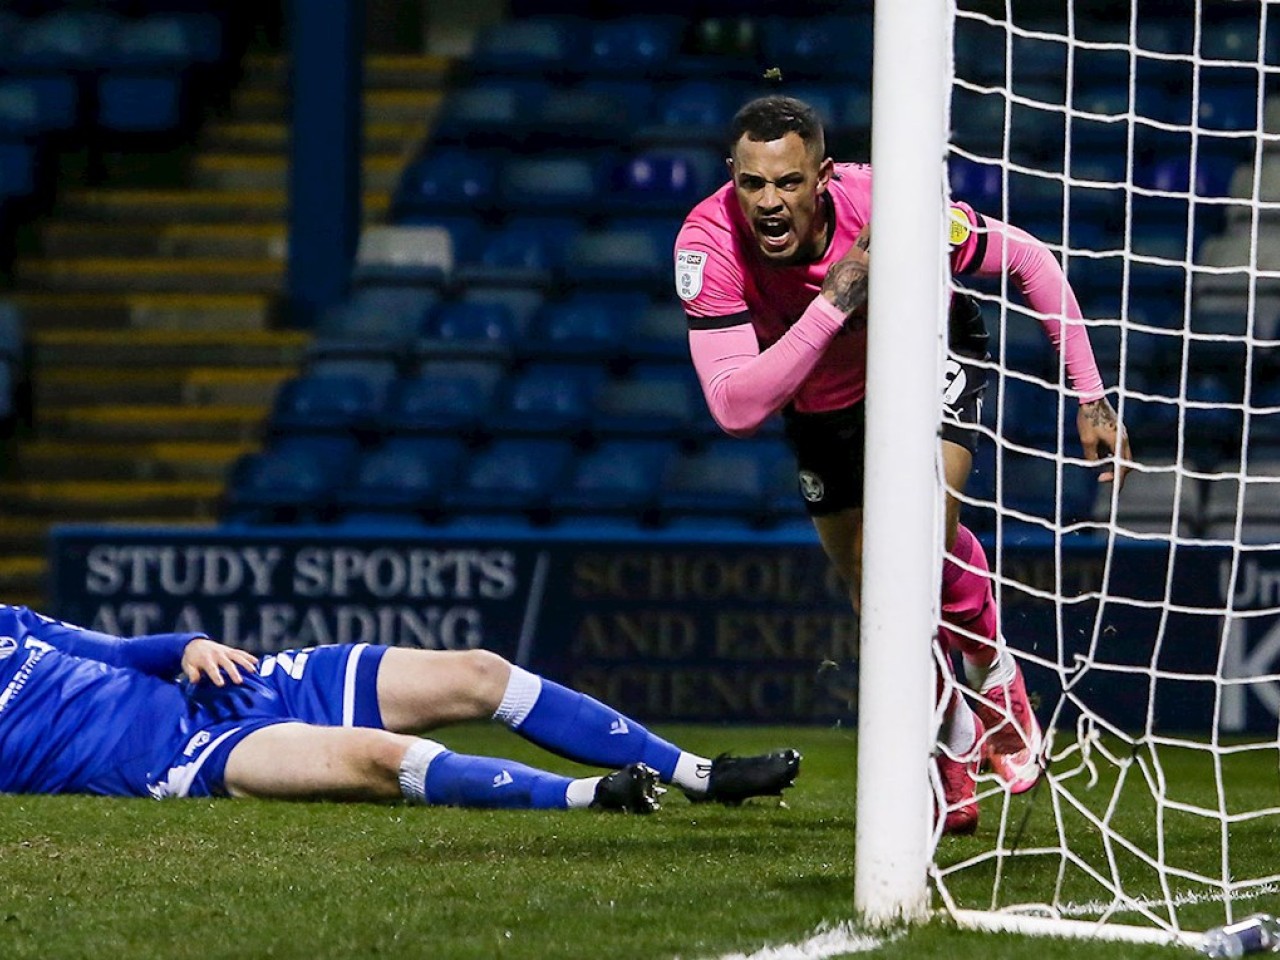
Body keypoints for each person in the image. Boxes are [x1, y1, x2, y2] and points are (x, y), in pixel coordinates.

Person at [673, 95, 1131, 834]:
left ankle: (991, 680)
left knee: (916, 546)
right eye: (752, 183)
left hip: (927, 357)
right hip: (822, 402)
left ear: (823, 176)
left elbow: (1027, 259)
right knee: (872, 591)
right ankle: (955, 731)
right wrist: (837, 298)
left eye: (788, 182)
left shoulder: (891, 208)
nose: (769, 202)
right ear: (732, 177)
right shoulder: (707, 242)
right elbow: (734, 408)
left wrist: (1092, 396)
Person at [0, 603, 800, 812]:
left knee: (479, 673)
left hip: (240, 684)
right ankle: (594, 795)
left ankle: (698, 774)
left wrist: (187, 645)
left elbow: (113, 652)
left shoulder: (9, 622)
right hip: (179, 757)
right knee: (381, 761)